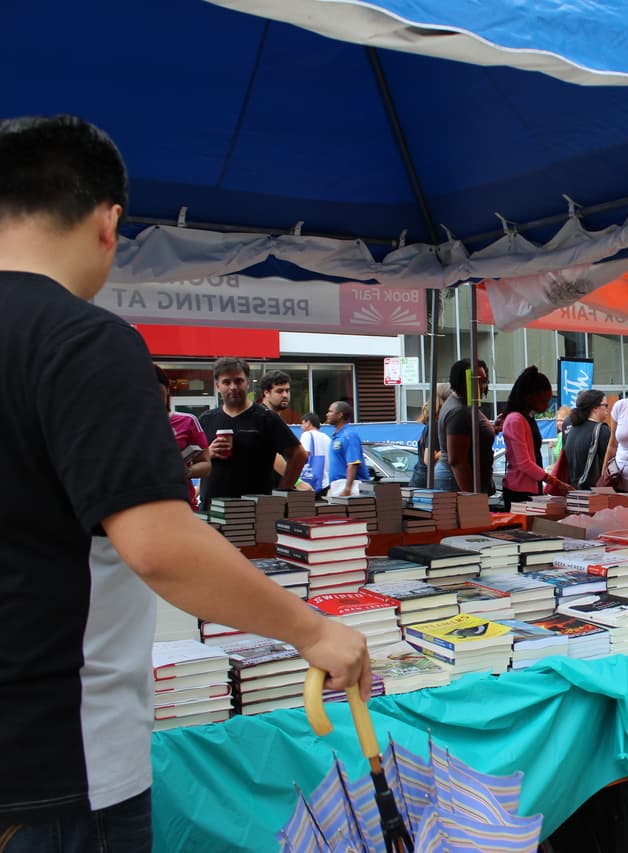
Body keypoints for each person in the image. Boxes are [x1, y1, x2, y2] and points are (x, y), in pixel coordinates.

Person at [0, 114, 368, 847]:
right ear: (109, 222)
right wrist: (313, 629)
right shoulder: (85, 340)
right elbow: (158, 544)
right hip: (60, 766)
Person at [198, 356, 305, 509]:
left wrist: (282, 492)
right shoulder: (206, 419)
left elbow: (299, 454)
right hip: (212, 509)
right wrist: (209, 452)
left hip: (253, 513)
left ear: (247, 383)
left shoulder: (266, 418)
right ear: (217, 386)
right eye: (226, 382)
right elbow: (193, 461)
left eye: (238, 381)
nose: (233, 387)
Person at [500, 367, 566, 509]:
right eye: (544, 400)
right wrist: (556, 483)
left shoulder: (526, 417)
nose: (547, 405)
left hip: (528, 489)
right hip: (519, 492)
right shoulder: (516, 420)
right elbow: (524, 463)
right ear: (529, 397)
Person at [434, 358, 495, 494]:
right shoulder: (459, 411)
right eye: (476, 381)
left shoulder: (467, 403)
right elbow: (457, 461)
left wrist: (493, 428)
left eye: (484, 381)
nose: (482, 386)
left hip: (461, 481)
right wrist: (473, 496)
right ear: (462, 381)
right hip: (457, 482)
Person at [156, 365, 210, 510]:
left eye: (159, 392)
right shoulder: (130, 425)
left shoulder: (188, 421)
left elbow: (206, 465)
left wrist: (186, 471)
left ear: (167, 391)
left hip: (182, 507)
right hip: (143, 509)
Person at [560, 390, 612, 490]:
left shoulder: (573, 430)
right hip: (596, 493)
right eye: (605, 405)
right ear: (595, 408)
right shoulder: (602, 431)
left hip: (574, 491)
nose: (607, 409)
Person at [325, 400, 370, 497]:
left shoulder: (349, 435)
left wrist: (347, 488)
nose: (327, 414)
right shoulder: (337, 435)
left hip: (349, 485)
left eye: (330, 411)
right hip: (336, 485)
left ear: (340, 414)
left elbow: (353, 463)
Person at [298, 412, 331, 492]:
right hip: (326, 482)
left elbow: (303, 456)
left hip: (311, 481)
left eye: (302, 424)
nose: (301, 427)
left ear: (308, 423)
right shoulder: (327, 438)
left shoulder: (307, 435)